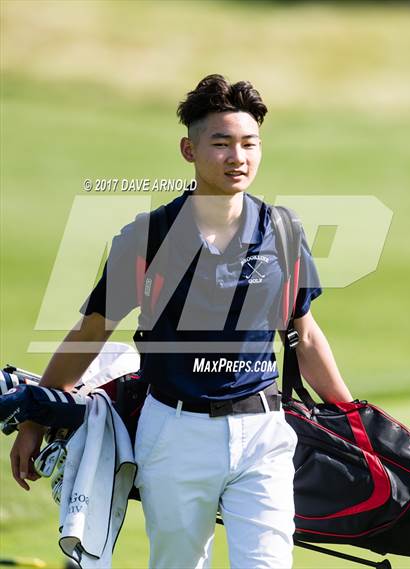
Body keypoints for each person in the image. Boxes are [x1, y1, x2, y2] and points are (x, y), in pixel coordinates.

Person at [10, 74, 353, 569]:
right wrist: (35, 417)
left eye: (250, 143)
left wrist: (353, 423)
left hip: (263, 433)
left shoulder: (282, 231)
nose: (238, 157)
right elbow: (91, 333)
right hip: (174, 435)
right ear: (188, 150)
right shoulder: (146, 238)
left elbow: (305, 333)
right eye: (222, 143)